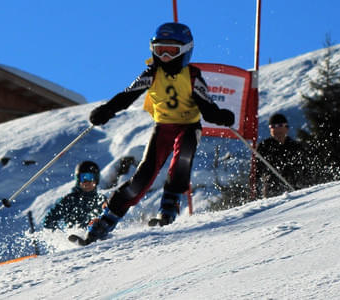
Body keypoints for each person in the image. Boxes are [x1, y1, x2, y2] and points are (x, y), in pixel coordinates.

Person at [80, 22, 235, 244]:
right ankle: (107, 219)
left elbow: (207, 107)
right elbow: (127, 96)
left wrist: (220, 116)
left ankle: (168, 210)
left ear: (185, 50)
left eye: (171, 51)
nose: (164, 56)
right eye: (160, 49)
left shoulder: (192, 76)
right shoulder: (152, 73)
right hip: (163, 127)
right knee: (143, 176)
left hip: (189, 126)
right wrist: (106, 110)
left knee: (182, 161)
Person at [255, 113, 309, 198]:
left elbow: (305, 169)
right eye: (273, 126)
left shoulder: (295, 146)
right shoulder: (264, 146)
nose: (276, 129)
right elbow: (256, 171)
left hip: (295, 190)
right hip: (272, 191)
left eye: (280, 125)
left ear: (286, 128)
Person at [43, 161, 106, 230]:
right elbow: (49, 220)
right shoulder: (70, 200)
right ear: (78, 180)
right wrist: (59, 236)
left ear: (96, 179)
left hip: (100, 238)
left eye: (91, 177)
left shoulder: (101, 200)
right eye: (84, 178)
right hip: (74, 237)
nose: (87, 182)